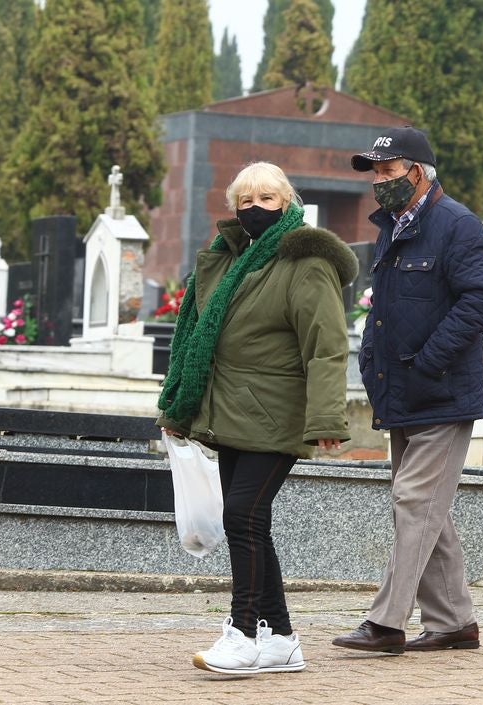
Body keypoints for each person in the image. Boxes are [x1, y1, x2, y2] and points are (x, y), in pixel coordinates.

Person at [157, 162, 358, 672]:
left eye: (267, 199)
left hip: (277, 413)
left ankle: (243, 633)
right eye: (245, 201)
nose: (255, 209)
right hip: (231, 413)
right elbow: (198, 339)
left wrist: (327, 420)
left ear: (288, 202)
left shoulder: (304, 261)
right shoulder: (231, 260)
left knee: (242, 515)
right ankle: (282, 639)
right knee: (251, 522)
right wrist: (180, 406)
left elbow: (326, 346)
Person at [332, 126, 483, 654]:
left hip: (442, 395)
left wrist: (428, 363)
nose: (379, 181)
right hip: (399, 394)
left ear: (419, 172)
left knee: (413, 501)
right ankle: (453, 622)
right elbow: (385, 308)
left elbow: (481, 303)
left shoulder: (456, 224)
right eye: (375, 172)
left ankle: (385, 623)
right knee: (429, 511)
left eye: (388, 170)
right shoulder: (392, 227)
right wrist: (369, 360)